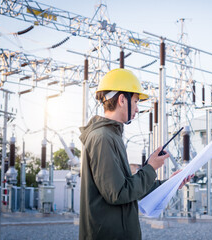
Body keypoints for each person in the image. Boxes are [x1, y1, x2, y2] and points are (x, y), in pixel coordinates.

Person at [79, 68, 189, 240]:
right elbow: (118, 193)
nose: (137, 109)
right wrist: (151, 167)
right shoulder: (102, 138)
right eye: (136, 101)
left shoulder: (112, 136)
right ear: (122, 99)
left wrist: (172, 183)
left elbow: (130, 188)